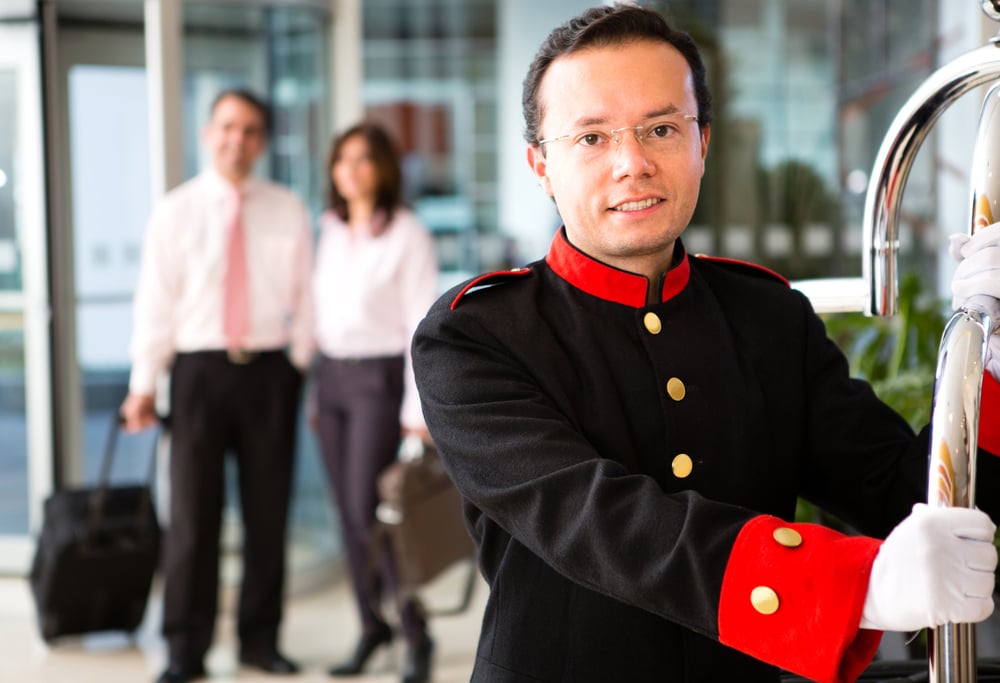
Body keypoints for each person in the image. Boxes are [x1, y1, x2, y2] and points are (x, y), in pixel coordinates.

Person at [410, 5, 1000, 683]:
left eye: (661, 128)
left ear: (703, 143)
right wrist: (852, 583)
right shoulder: (474, 336)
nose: (631, 163)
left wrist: (994, 361)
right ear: (540, 164)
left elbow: (905, 488)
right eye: (592, 138)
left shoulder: (766, 316)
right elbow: (598, 520)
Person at [120, 88, 314, 683]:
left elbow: (306, 295)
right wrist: (143, 383)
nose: (238, 139)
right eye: (228, 127)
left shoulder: (287, 208)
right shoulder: (175, 211)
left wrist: (298, 366)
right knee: (193, 519)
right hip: (198, 371)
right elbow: (155, 303)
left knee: (267, 513)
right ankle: (185, 649)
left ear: (262, 141)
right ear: (209, 133)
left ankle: (260, 640)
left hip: (268, 374)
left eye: (251, 130)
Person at [312, 122, 439, 683]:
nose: (351, 170)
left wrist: (417, 414)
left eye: (363, 160)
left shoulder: (407, 233)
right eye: (343, 161)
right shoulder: (330, 230)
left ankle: (415, 633)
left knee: (379, 515)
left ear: (383, 168)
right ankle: (371, 627)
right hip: (330, 379)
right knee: (348, 515)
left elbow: (420, 326)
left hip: (379, 380)